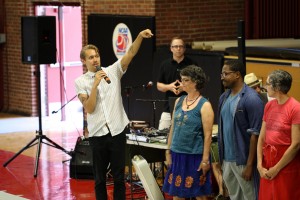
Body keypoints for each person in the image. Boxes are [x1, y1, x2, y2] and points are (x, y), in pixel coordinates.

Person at [74, 29, 153, 200]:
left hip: (117, 131)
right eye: (90, 57)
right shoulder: (80, 82)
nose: (95, 59)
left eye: (96, 56)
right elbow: (89, 108)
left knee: (119, 177)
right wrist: (95, 84)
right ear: (83, 61)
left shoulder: (113, 71)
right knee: (100, 179)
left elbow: (130, 53)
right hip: (98, 135)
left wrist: (139, 37)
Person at [163, 65, 214, 200]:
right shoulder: (179, 101)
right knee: (177, 194)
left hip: (194, 156)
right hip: (177, 154)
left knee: (199, 194)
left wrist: (205, 160)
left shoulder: (205, 105)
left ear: (195, 82)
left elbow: (208, 136)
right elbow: (172, 127)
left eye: (185, 80)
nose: (182, 83)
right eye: (182, 79)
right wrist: (168, 151)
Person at [218, 60, 264, 200]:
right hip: (227, 160)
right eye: (222, 73)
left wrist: (250, 165)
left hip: (244, 161)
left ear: (237, 75)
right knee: (234, 197)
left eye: (226, 74)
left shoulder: (252, 99)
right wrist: (222, 161)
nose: (222, 77)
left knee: (251, 197)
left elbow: (256, 134)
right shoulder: (223, 97)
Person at [257, 69, 300, 199]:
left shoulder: (295, 108)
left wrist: (276, 168)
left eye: (268, 84)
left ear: (277, 87)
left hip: (286, 164)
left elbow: (296, 144)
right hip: (267, 163)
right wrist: (259, 165)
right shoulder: (269, 106)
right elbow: (262, 137)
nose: (265, 87)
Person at [157, 37, 196, 130]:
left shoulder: (192, 64)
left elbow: (198, 84)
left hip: (188, 107)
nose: (178, 49)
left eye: (180, 46)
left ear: (184, 48)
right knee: (162, 134)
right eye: (175, 46)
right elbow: (159, 85)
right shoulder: (165, 64)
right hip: (168, 108)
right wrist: (169, 87)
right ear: (171, 48)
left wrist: (185, 87)